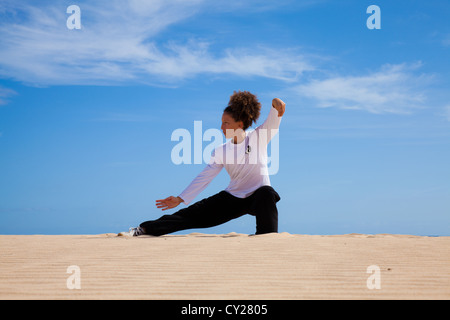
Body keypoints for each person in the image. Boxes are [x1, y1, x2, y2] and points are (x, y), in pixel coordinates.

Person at [119, 91, 285, 237]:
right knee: (188, 215)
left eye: (226, 123)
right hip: (233, 197)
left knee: (267, 193)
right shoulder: (221, 150)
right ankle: (145, 229)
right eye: (221, 123)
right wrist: (180, 198)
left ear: (240, 124)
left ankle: (267, 239)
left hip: (258, 198)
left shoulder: (257, 137)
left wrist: (275, 103)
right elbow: (205, 177)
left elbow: (273, 121)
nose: (221, 127)